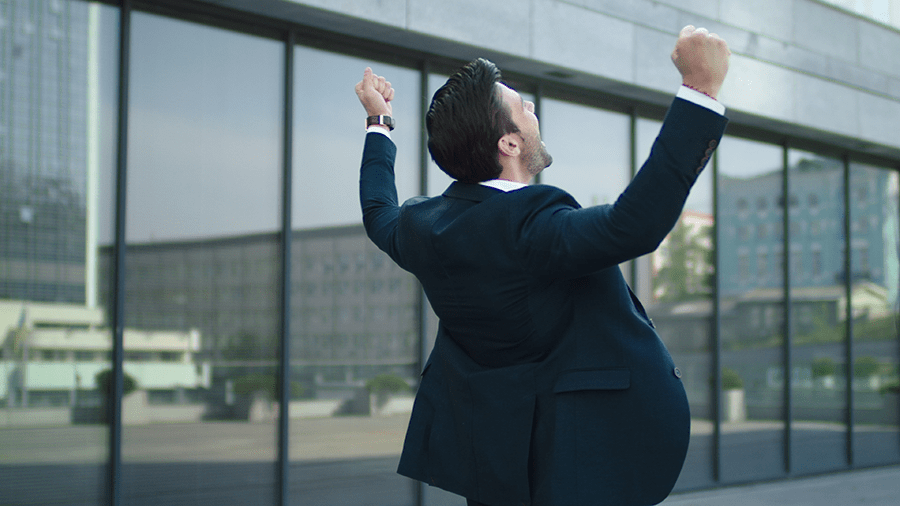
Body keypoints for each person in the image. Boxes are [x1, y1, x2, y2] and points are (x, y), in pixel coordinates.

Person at [355, 25, 730, 506]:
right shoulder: (528, 226)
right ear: (508, 144)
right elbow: (632, 225)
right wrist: (699, 91)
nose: (533, 110)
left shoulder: (422, 228)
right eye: (522, 107)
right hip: (576, 465)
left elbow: (377, 212)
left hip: (499, 463)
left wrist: (378, 122)